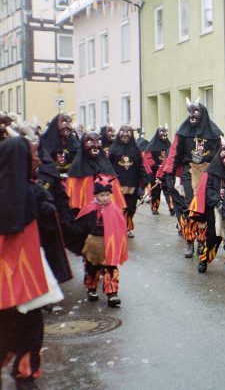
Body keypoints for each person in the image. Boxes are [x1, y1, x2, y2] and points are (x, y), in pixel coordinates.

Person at [0, 135, 63, 388]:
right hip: (23, 283)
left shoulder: (31, 190)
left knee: (19, 337)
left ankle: (23, 372)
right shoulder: (33, 193)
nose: (37, 158)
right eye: (33, 154)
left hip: (19, 284)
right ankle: (24, 375)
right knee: (25, 336)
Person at [159, 99, 224, 258]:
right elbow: (174, 154)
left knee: (205, 210)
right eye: (190, 112)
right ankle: (189, 242)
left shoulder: (214, 133)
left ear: (202, 114)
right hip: (189, 173)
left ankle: (202, 241)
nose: (191, 115)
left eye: (195, 111)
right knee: (190, 209)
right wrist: (169, 174)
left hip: (208, 174)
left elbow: (222, 155)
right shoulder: (183, 132)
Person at [190, 142, 225, 278]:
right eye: (224, 153)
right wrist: (217, 202)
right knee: (213, 238)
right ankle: (204, 260)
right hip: (215, 209)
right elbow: (207, 189)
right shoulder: (211, 171)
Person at [75, 175, 129, 306]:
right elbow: (81, 227)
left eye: (107, 195)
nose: (105, 198)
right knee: (91, 268)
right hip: (92, 243)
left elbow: (120, 228)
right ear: (96, 195)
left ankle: (112, 293)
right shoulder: (89, 208)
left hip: (108, 244)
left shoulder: (114, 209)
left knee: (110, 267)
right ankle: (92, 288)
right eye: (101, 195)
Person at [108, 124, 146, 238]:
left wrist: (143, 183)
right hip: (118, 184)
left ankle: (127, 227)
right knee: (120, 208)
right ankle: (120, 228)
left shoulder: (136, 150)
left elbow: (141, 167)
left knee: (131, 207)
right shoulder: (113, 149)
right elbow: (108, 166)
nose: (125, 134)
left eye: (128, 131)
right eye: (122, 131)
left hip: (133, 184)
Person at [143, 126, 174, 216]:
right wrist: (156, 167)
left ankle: (172, 208)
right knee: (155, 192)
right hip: (155, 173)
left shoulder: (168, 144)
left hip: (166, 172)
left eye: (165, 132)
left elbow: (171, 156)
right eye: (161, 131)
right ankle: (154, 208)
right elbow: (148, 158)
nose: (164, 134)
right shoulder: (152, 145)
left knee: (168, 190)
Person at [38, 113, 79, 177]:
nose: (69, 127)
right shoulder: (45, 142)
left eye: (69, 123)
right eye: (64, 123)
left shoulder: (73, 141)